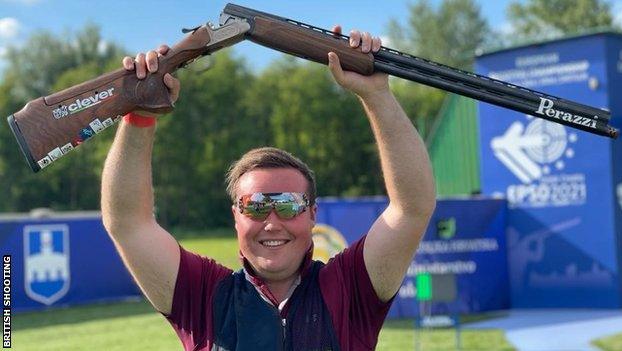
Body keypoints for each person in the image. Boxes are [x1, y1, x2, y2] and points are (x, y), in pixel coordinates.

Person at [101, 26, 435, 351]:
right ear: (236, 216)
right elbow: (128, 224)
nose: (272, 222)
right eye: (257, 205)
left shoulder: (349, 288)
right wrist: (140, 116)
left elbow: (412, 207)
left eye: (289, 204)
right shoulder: (203, 296)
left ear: (311, 214)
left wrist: (377, 95)